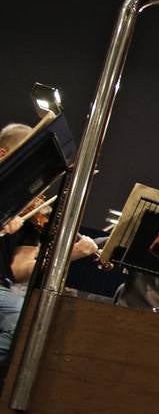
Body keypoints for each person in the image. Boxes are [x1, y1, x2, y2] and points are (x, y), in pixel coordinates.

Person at [0, 123, 99, 368]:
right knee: (23, 318)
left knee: (39, 324)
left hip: (3, 287)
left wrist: (69, 254)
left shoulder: (25, 211)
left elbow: (18, 270)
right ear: (3, 154)